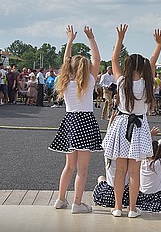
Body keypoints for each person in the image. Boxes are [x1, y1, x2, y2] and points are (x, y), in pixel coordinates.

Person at [102, 24, 161, 219]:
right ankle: (132, 208)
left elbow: (114, 59)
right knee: (134, 173)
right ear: (143, 68)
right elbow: (153, 61)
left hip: (121, 125)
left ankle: (118, 207)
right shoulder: (147, 84)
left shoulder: (121, 82)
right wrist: (159, 44)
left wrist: (120, 38)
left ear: (128, 67)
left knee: (119, 171)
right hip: (139, 127)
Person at [49, 25, 103, 214]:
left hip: (70, 121)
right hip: (85, 121)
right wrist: (91, 38)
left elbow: (66, 61)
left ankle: (60, 199)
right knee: (82, 168)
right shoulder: (89, 81)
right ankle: (77, 203)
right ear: (85, 68)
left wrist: (70, 40)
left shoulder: (64, 81)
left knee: (69, 166)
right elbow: (97, 59)